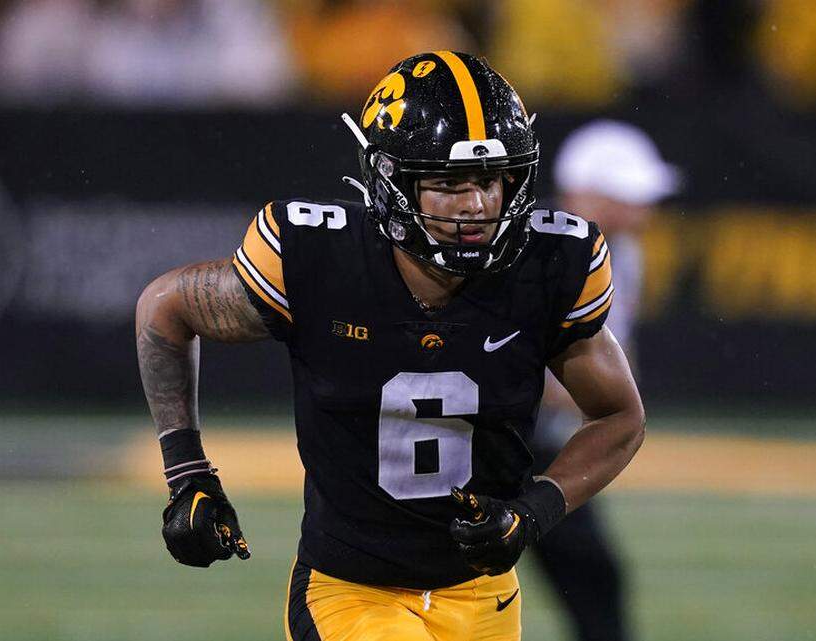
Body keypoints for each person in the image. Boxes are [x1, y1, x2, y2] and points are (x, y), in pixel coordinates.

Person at [135, 51, 645, 641]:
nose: (476, 205)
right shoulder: (318, 257)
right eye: (449, 183)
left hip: (482, 597)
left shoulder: (550, 265)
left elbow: (618, 417)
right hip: (351, 591)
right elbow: (165, 307)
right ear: (392, 182)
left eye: (489, 179)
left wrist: (535, 512)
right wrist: (188, 472)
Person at [530, 120, 680, 641]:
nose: (643, 208)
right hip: (498, 434)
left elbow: (614, 360)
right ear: (584, 191)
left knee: (593, 580)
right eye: (627, 194)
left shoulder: (622, 251)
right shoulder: (537, 249)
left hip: (547, 438)